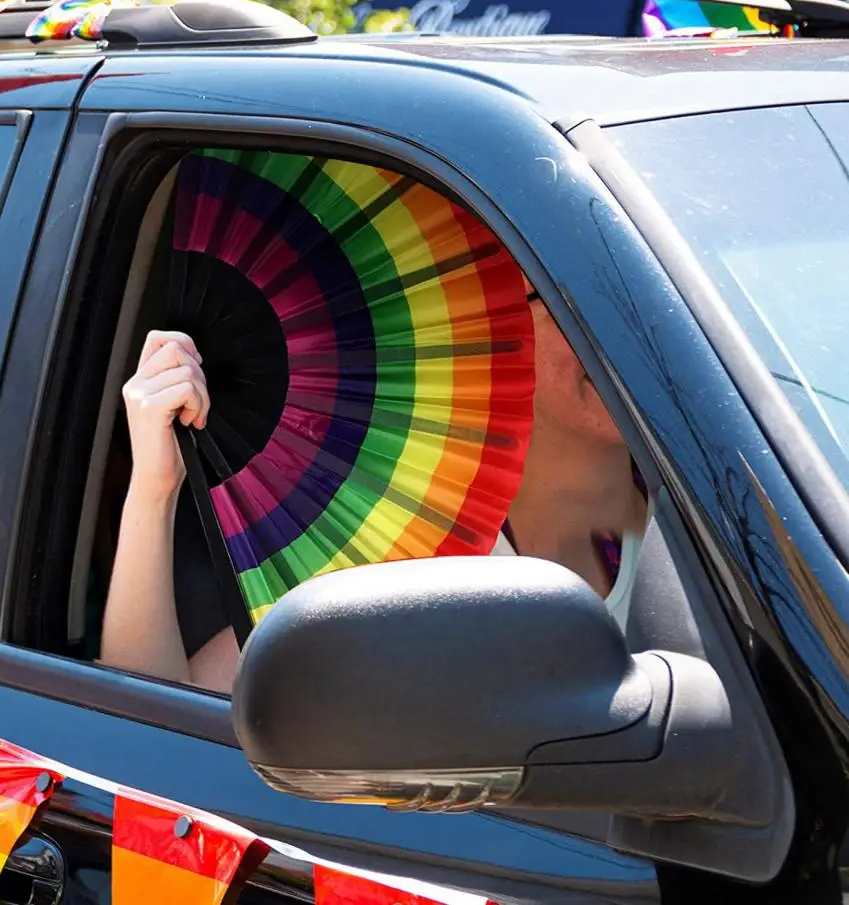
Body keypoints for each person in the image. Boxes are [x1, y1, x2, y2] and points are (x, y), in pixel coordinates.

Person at [100, 287, 648, 692]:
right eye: (566, 294)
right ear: (491, 327)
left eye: (628, 287)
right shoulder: (398, 539)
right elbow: (150, 733)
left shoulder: (717, 504)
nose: (617, 327)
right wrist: (157, 488)